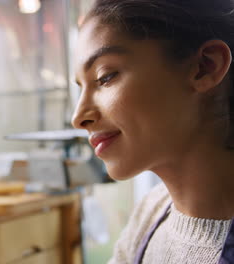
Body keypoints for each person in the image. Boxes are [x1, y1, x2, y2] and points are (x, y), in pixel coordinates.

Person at [71, 0, 234, 263]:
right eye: (81, 87)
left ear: (206, 66)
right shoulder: (152, 211)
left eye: (105, 77)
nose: (79, 118)